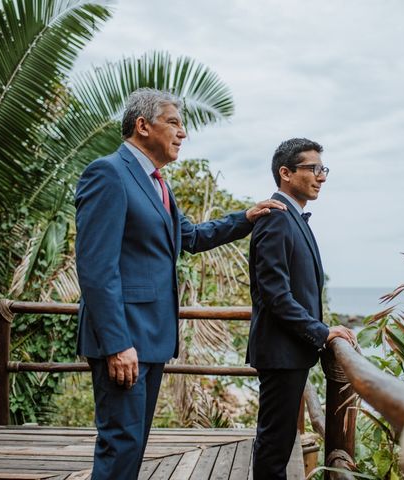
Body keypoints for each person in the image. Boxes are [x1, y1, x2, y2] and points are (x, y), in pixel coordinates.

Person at [74, 88, 286, 480]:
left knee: (134, 443)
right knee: (120, 442)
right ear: (142, 126)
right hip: (124, 339)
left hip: (152, 337)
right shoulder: (108, 173)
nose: (183, 133)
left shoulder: (158, 183)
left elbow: (190, 237)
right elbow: (95, 267)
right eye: (173, 122)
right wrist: (117, 343)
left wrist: (246, 218)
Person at [247, 138, 357, 479]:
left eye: (323, 169)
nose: (321, 176)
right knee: (274, 444)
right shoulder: (276, 219)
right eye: (313, 168)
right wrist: (322, 332)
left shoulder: (293, 218)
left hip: (289, 351)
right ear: (285, 173)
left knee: (277, 442)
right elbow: (275, 294)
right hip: (281, 352)